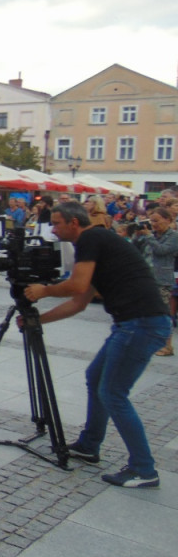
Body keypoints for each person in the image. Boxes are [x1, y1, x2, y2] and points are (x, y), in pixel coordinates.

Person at [24, 201, 170, 488]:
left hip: (140, 323)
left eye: (56, 223)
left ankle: (144, 469)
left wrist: (44, 290)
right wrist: (40, 320)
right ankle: (89, 445)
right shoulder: (98, 242)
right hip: (134, 323)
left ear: (74, 223)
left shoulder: (92, 237)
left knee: (114, 392)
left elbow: (75, 286)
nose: (53, 229)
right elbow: (79, 302)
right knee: (96, 378)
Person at [132, 206, 178, 357]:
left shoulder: (173, 236)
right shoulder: (151, 235)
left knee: (163, 313)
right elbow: (135, 250)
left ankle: (168, 345)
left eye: (157, 221)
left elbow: (162, 250)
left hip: (162, 281)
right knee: (145, 312)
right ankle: (148, 342)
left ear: (168, 220)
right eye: (151, 221)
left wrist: (149, 236)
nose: (153, 224)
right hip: (146, 279)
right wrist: (138, 235)